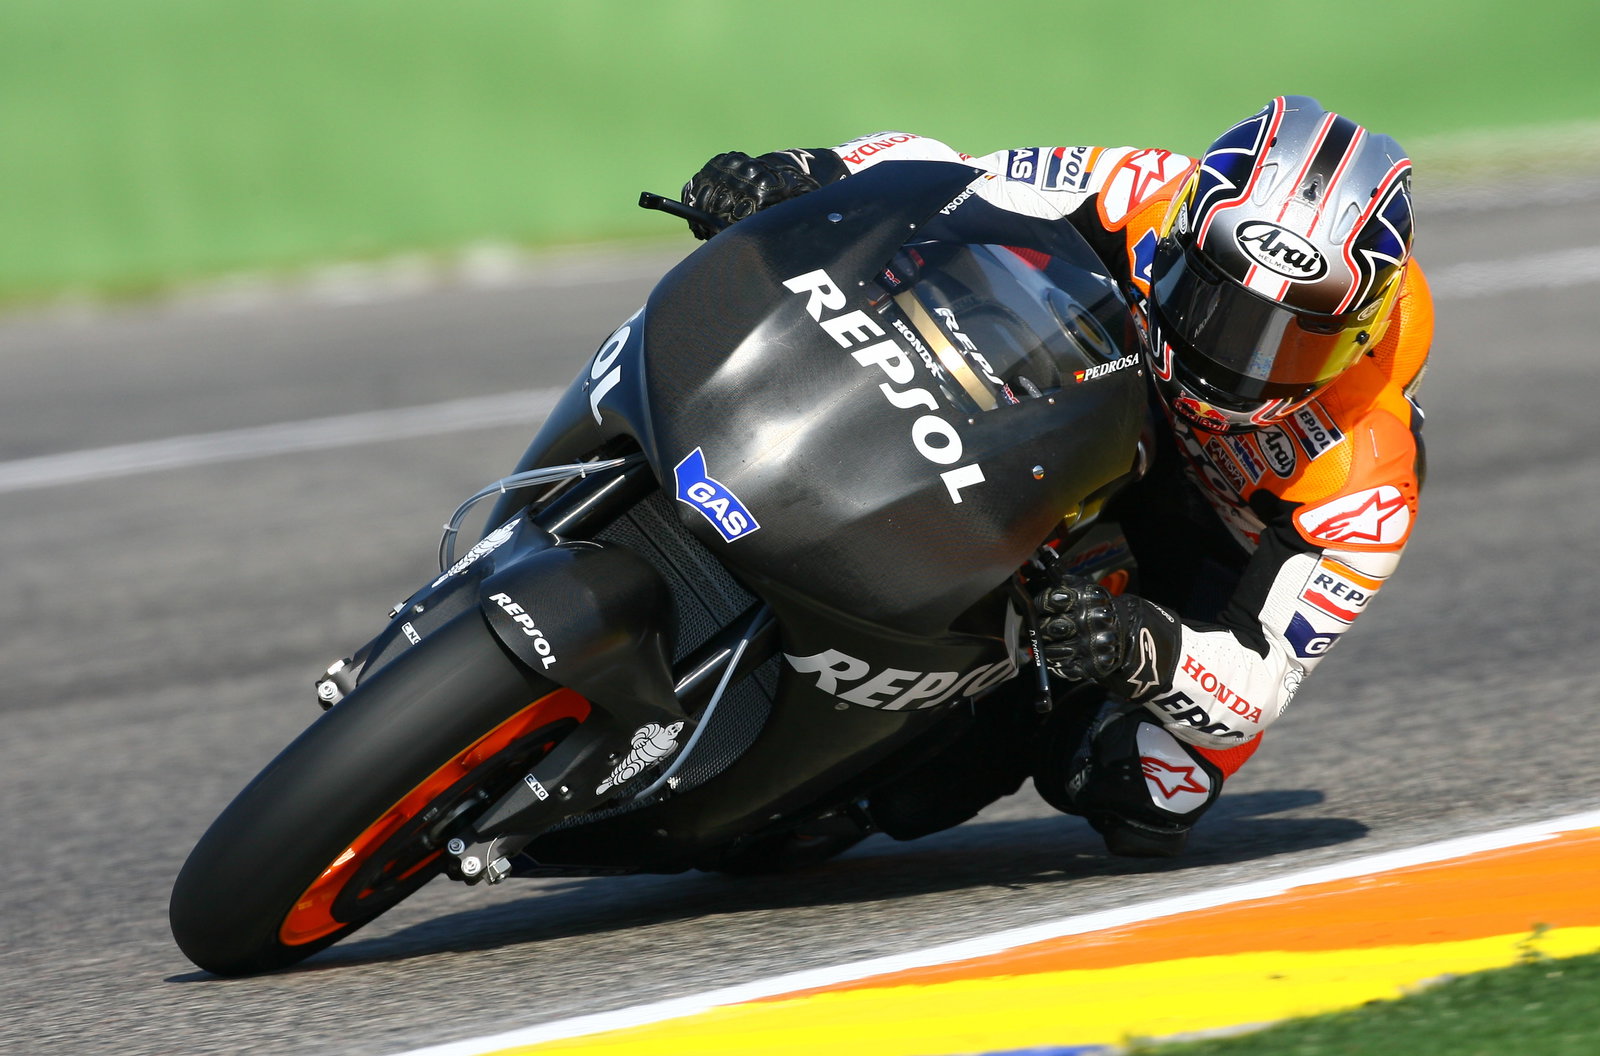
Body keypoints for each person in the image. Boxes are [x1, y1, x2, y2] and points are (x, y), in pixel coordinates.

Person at [680, 96, 1433, 857]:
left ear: (1360, 335)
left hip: (1189, 577)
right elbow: (948, 176)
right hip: (1078, 427)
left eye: (1291, 343)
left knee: (1142, 786)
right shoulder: (1145, 191)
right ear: (1180, 238)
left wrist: (1133, 643)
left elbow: (1261, 682)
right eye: (1215, 306)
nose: (1237, 362)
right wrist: (807, 172)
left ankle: (861, 787)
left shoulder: (1370, 477)